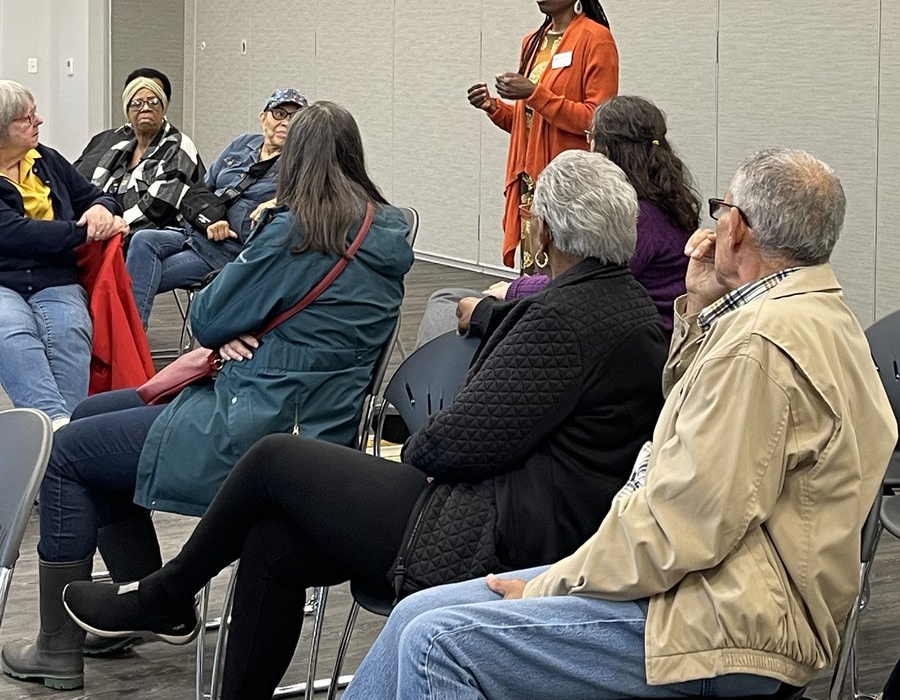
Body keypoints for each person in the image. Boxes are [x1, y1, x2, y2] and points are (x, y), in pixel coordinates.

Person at [60, 151, 668, 700]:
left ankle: (163, 594)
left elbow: (447, 448)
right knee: (272, 544)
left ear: (548, 228)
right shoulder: (627, 306)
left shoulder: (563, 320)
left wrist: (422, 437)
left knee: (275, 459)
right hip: (537, 517)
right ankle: (173, 610)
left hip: (497, 530)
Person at [338, 148, 898, 700]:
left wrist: (549, 583)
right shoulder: (822, 317)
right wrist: (699, 305)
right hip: (731, 592)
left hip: (724, 623)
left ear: (737, 229)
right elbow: (694, 438)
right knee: (417, 612)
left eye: (720, 210)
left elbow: (683, 528)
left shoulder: (757, 348)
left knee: (437, 643)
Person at [1, 101, 412, 692]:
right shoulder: (386, 230)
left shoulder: (297, 230)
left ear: (295, 160)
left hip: (253, 422)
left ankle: (59, 647)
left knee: (69, 453)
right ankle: (144, 603)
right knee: (91, 416)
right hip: (320, 422)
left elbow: (213, 315)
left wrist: (249, 320)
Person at [418, 95, 699, 344]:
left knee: (449, 303)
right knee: (456, 300)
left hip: (618, 337)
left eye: (590, 136)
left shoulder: (638, 217)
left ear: (607, 150)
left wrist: (513, 290)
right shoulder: (662, 203)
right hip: (623, 326)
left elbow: (585, 283)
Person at [468, 0, 618, 270]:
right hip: (529, 180)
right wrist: (493, 106)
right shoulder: (532, 42)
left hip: (567, 183)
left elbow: (596, 121)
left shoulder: (595, 38)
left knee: (556, 272)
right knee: (531, 270)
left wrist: (534, 93)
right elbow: (531, 125)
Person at [0, 80, 129, 428]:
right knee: (10, 330)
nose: (38, 121)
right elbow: (13, 233)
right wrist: (83, 231)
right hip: (4, 280)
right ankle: (60, 426)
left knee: (72, 330)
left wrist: (102, 209)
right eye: (26, 118)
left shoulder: (46, 160)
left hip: (56, 277)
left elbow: (94, 195)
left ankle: (60, 433)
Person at [125, 87, 307, 326]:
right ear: (263, 117)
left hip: (225, 253)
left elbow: (313, 200)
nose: (286, 123)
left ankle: (129, 341)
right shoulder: (242, 144)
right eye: (279, 114)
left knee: (136, 279)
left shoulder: (302, 164)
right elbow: (199, 191)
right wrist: (212, 220)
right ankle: (129, 340)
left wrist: (280, 202)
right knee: (143, 239)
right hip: (195, 232)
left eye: (296, 118)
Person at [74, 70, 202, 234]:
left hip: (156, 236)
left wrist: (111, 226)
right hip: (111, 232)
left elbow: (157, 210)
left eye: (154, 102)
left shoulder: (178, 146)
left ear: (164, 108)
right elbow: (95, 191)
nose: (146, 108)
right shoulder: (119, 149)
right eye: (137, 103)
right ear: (128, 113)